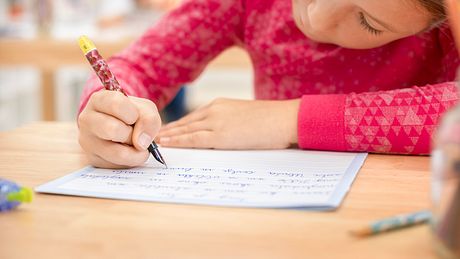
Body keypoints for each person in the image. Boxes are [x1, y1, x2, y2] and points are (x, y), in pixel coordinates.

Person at [78, 0, 459, 168]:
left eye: (369, 22)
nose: (316, 18)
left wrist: (289, 120)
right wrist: (105, 111)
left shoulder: (446, 26)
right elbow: (140, 65)